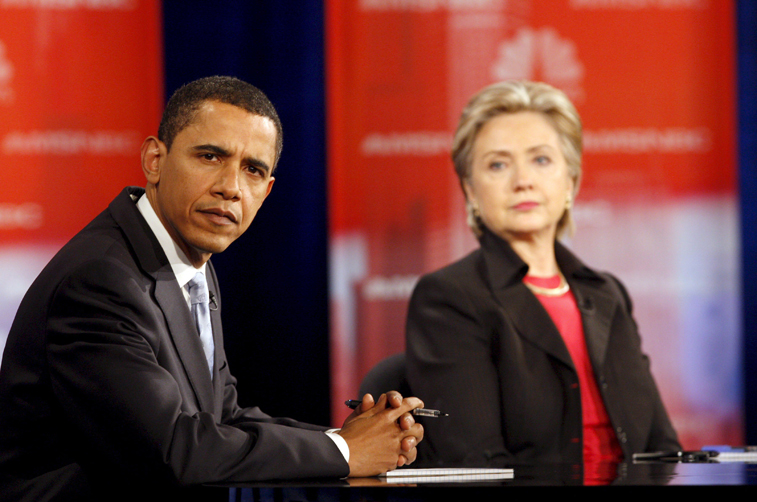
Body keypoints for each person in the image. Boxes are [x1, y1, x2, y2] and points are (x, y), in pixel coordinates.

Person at [0, 76, 424, 501]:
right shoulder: (101, 280)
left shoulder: (187, 261)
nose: (231, 188)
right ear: (154, 160)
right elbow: (171, 450)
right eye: (210, 156)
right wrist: (345, 452)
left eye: (252, 170)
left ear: (267, 191)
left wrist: (348, 437)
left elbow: (223, 418)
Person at [405, 80, 680, 469]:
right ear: (470, 190)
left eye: (541, 160)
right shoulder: (448, 297)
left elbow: (662, 448)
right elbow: (475, 463)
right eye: (498, 164)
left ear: (570, 180)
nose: (523, 180)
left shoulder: (607, 293)